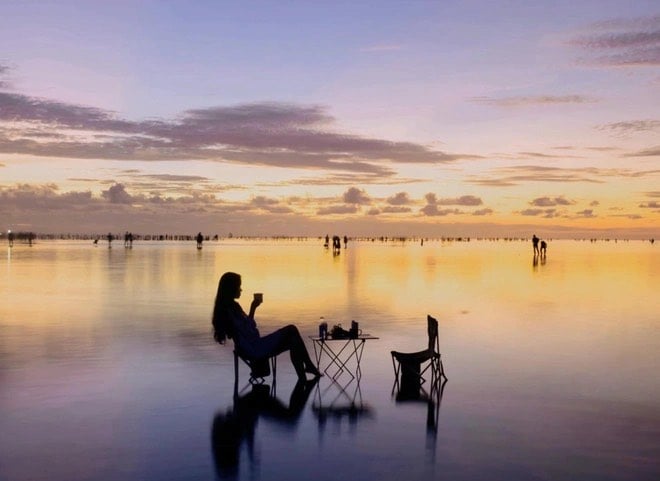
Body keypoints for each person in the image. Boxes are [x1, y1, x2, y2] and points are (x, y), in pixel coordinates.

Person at [212, 272, 321, 381]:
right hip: (253, 348)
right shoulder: (230, 311)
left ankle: (303, 377)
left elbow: (247, 328)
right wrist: (252, 310)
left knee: (293, 341)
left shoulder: (233, 307)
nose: (241, 289)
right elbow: (249, 331)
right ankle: (306, 371)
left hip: (253, 345)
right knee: (292, 330)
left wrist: (253, 310)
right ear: (231, 288)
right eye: (239, 286)